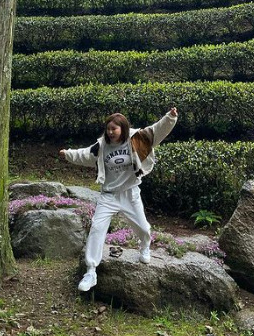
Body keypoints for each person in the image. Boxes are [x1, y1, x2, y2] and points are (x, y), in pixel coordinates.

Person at [59, 106, 178, 292]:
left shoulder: (136, 139)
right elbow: (84, 154)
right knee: (97, 228)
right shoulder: (102, 146)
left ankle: (145, 246)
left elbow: (157, 131)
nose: (110, 132)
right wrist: (67, 154)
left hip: (130, 193)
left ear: (123, 128)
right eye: (108, 129)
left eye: (114, 129)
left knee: (143, 227)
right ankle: (91, 271)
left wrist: (170, 117)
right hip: (108, 196)